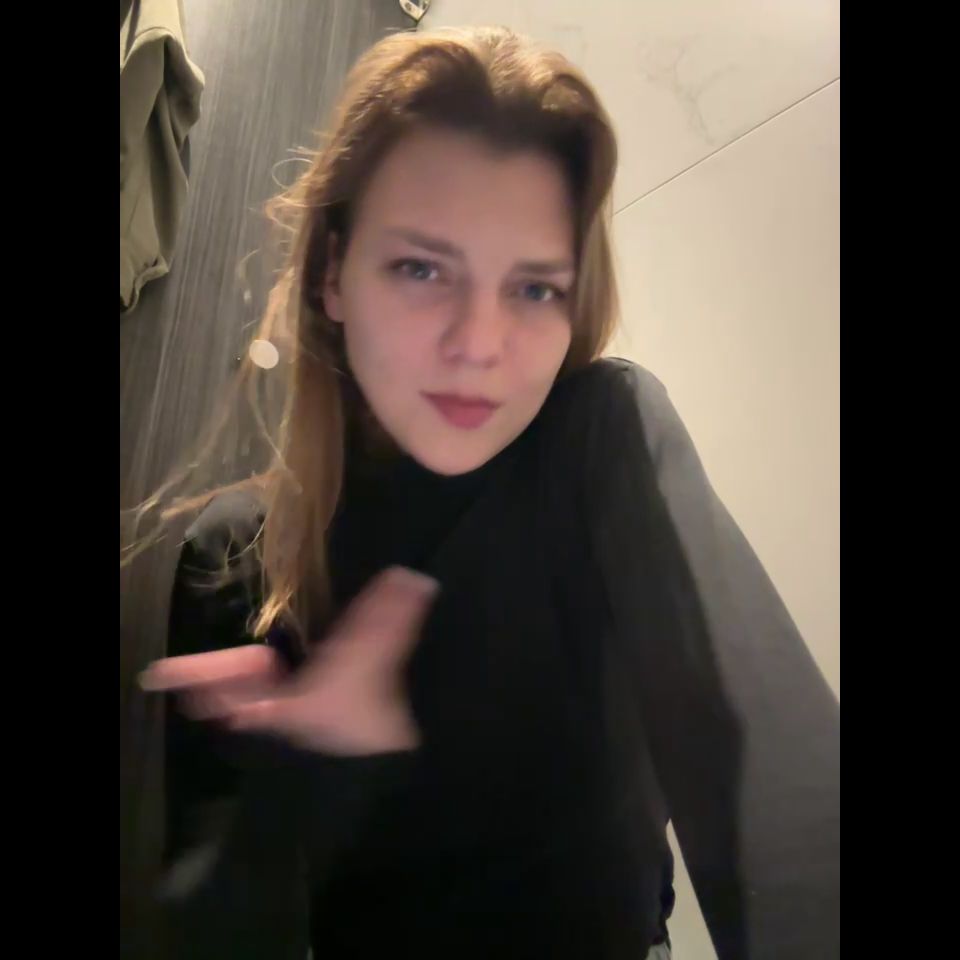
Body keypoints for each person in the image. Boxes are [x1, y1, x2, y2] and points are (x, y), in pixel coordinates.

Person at [132, 25, 840, 960]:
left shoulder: (598, 441)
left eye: (535, 288)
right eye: (422, 268)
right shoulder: (235, 557)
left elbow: (772, 786)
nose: (479, 344)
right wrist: (283, 815)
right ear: (333, 273)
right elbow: (201, 932)